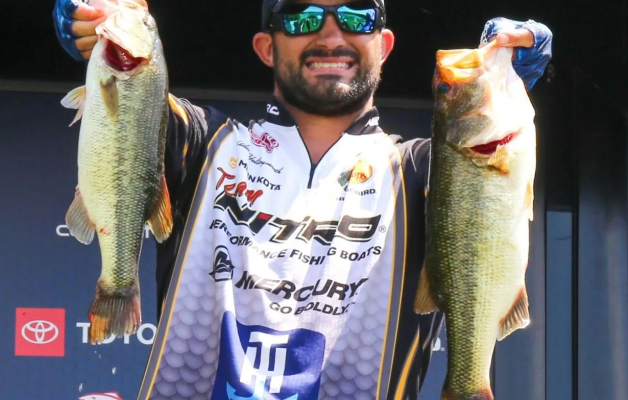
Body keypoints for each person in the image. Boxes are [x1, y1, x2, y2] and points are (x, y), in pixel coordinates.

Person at [53, 1, 553, 399]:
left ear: (384, 44)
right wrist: (98, 19)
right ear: (266, 47)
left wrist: (499, 72)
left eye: (357, 16)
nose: (331, 35)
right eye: (302, 16)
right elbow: (131, 101)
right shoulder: (205, 144)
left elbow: (486, 178)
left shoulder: (427, 172)